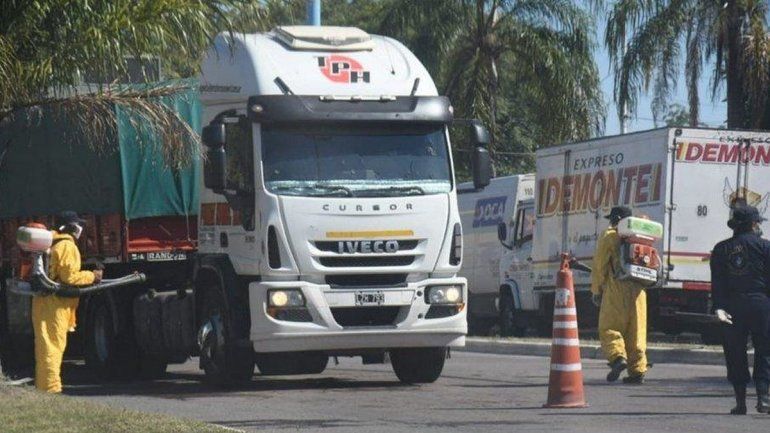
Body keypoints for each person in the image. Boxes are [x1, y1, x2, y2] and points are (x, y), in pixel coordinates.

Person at [32, 211, 102, 393]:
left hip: (44, 302)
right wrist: (92, 276)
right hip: (55, 305)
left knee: (46, 348)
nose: (80, 228)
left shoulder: (53, 243)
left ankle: (44, 388)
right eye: (78, 225)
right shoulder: (67, 246)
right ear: (70, 227)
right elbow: (69, 277)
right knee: (53, 348)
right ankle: (51, 390)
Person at [710, 204, 770, 415]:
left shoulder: (720, 249)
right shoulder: (766, 247)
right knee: (765, 351)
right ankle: (764, 398)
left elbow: (717, 283)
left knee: (735, 352)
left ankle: (741, 402)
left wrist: (718, 307)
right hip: (761, 304)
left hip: (731, 306)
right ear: (754, 224)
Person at [590, 206, 648, 384]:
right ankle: (637, 371)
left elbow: (600, 265)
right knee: (636, 332)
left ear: (614, 219)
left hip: (617, 287)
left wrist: (596, 290)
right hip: (639, 290)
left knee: (609, 327)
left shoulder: (610, 236)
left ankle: (617, 358)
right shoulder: (641, 237)